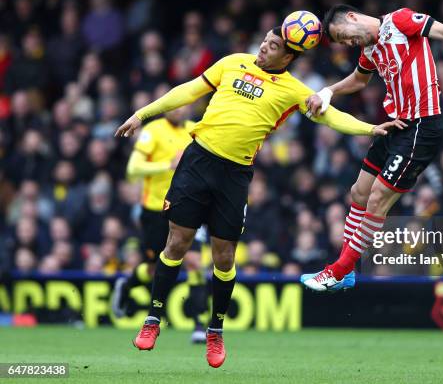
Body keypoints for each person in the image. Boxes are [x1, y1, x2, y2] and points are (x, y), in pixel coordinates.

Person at [115, 26, 402, 368]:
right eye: (264, 40)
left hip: (234, 176)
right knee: (177, 242)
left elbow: (330, 117)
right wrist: (143, 113)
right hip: (197, 161)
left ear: (289, 55)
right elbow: (188, 91)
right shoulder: (234, 61)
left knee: (224, 256)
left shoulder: (294, 89)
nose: (263, 46)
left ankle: (215, 328)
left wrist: (369, 128)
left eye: (273, 45)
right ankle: (152, 319)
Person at [301, 4, 443, 292]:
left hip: (422, 127)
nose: (350, 43)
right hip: (397, 124)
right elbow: (360, 79)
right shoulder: (370, 51)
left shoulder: (400, 21)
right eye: (344, 43)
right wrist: (328, 91)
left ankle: (338, 271)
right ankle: (346, 271)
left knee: (377, 198)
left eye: (345, 36)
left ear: (351, 17)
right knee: (359, 192)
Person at [110, 105, 208, 344]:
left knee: (195, 263)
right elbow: (133, 169)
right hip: (155, 211)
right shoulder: (152, 131)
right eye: (175, 106)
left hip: (186, 206)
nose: (179, 110)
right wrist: (168, 165)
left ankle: (198, 324)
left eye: (184, 106)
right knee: (154, 269)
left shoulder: (194, 131)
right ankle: (128, 285)